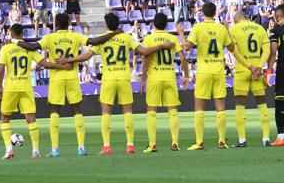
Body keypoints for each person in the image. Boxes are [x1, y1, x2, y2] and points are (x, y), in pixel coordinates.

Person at [14, 13, 120, 156]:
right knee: (77, 110)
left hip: (56, 78)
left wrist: (15, 41)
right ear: (68, 22)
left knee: (54, 111)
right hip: (72, 76)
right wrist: (114, 33)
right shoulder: (75, 36)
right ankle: (81, 147)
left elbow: (32, 46)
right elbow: (94, 41)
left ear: (55, 24)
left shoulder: (50, 38)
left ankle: (55, 149)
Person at [177, 2, 259, 150]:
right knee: (220, 105)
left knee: (199, 105)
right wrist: (227, 30)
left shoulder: (198, 27)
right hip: (218, 70)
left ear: (202, 14)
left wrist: (181, 34)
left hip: (204, 70)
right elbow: (232, 48)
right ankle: (221, 141)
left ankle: (199, 142)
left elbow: (187, 47)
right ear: (215, 14)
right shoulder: (221, 28)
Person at [94, 13, 173, 155]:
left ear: (106, 25)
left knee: (106, 112)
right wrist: (162, 45)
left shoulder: (101, 39)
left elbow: (87, 56)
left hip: (108, 78)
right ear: (118, 24)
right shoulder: (126, 38)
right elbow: (145, 51)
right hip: (124, 78)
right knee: (128, 111)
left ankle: (106, 146)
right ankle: (130, 145)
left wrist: (69, 60)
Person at [0, 23, 71, 160]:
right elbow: (44, 64)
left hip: (11, 87)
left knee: (5, 117)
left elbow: (1, 69)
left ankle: (9, 150)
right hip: (26, 86)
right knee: (31, 119)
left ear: (11, 34)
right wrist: (61, 67)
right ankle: (35, 151)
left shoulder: (6, 48)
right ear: (22, 34)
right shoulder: (29, 48)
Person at [140, 13, 189, 153]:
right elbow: (182, 57)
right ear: (166, 25)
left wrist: (143, 79)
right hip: (169, 76)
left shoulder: (149, 38)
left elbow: (146, 60)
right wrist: (186, 75)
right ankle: (175, 143)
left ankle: (153, 144)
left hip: (155, 77)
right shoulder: (172, 38)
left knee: (151, 111)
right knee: (172, 110)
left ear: (153, 24)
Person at [229, 12, 271, 147]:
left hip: (243, 70)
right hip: (257, 72)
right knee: (262, 103)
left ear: (236, 19)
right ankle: (266, 138)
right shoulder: (259, 28)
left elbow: (234, 51)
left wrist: (249, 66)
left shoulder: (234, 29)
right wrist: (258, 66)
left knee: (240, 104)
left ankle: (242, 139)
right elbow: (267, 50)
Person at [268, 4, 284, 146]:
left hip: (283, 70)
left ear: (277, 16)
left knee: (280, 102)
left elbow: (273, 53)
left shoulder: (276, 31)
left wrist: (268, 71)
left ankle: (281, 136)